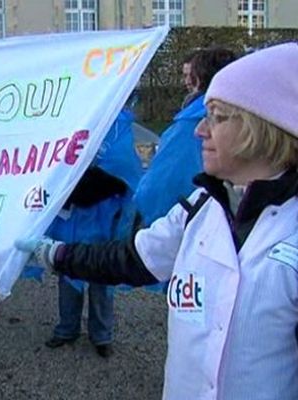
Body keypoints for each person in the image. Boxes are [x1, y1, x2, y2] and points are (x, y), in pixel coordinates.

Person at [17, 43, 298, 399]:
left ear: (263, 128)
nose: (199, 130)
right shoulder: (201, 207)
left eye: (217, 116)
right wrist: (54, 254)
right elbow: (131, 259)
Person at [43, 109, 143, 358]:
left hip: (102, 218)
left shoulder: (119, 127)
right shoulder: (75, 117)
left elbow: (125, 172)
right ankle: (67, 328)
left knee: (101, 278)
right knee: (67, 272)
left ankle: (102, 335)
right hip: (74, 219)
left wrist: (93, 186)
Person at [133, 47, 236, 226]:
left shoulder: (189, 124)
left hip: (183, 224)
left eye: (191, 75)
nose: (186, 81)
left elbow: (158, 188)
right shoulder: (237, 116)